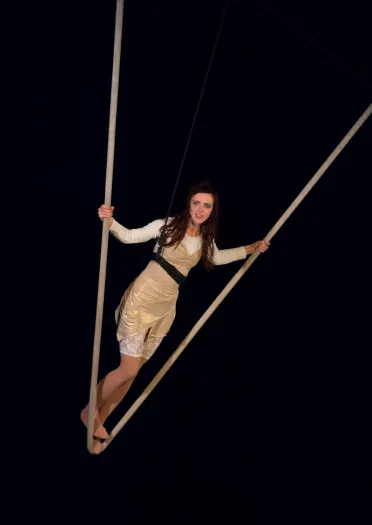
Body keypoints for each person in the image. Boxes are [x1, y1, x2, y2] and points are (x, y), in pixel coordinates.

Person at [81, 180, 270, 453]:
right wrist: (110, 221)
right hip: (141, 300)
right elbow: (130, 236)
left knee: (132, 376)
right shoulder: (167, 225)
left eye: (206, 205)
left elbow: (217, 258)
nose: (200, 209)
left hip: (165, 308)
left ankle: (100, 422)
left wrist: (250, 248)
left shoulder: (206, 240)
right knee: (128, 368)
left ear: (212, 210)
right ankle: (89, 412)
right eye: (197, 203)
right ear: (189, 204)